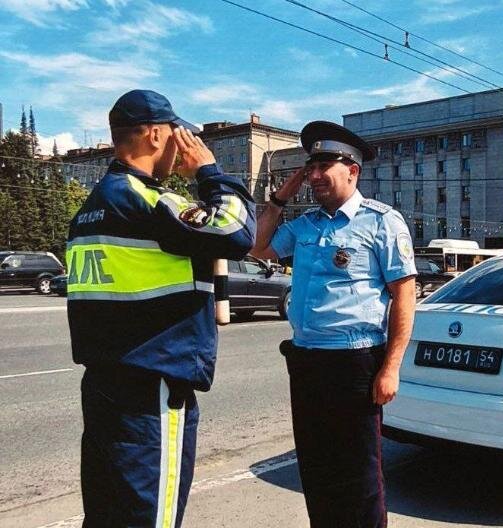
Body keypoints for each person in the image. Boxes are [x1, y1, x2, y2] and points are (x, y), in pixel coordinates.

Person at [66, 89, 256, 527]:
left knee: (107, 514)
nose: (181, 144)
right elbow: (236, 231)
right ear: (154, 134)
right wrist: (209, 171)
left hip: (105, 385)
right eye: (178, 134)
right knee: (152, 517)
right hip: (150, 391)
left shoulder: (91, 209)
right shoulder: (146, 200)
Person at [251, 120, 417, 527]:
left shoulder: (382, 222)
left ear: (352, 171)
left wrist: (391, 367)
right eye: (311, 168)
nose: (314, 176)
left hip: (356, 364)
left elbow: (404, 296)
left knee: (359, 474)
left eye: (325, 166)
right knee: (317, 468)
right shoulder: (304, 226)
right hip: (307, 363)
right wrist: (277, 199)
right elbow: (258, 247)